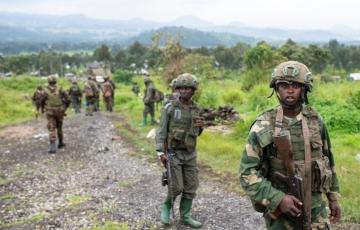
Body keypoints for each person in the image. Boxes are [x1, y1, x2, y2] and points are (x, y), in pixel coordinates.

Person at [239, 61, 341, 229]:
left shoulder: (316, 121)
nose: (290, 90)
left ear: (305, 88)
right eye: (284, 85)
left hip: (316, 209)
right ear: (276, 89)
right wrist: (278, 199)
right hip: (282, 211)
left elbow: (329, 161)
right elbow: (246, 173)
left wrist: (333, 198)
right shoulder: (263, 126)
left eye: (296, 85)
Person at [155, 73, 204, 228]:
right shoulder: (169, 108)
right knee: (176, 186)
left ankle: (185, 216)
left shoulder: (196, 109)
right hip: (172, 153)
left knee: (191, 186)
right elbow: (161, 131)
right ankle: (166, 207)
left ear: (193, 90)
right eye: (181, 88)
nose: (184, 91)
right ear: (177, 89)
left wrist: (201, 128)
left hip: (190, 153)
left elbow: (196, 132)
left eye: (188, 88)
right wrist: (160, 152)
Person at [40, 76, 70, 154]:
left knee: (51, 128)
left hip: (50, 112)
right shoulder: (60, 89)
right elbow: (68, 99)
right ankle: (61, 143)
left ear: (48, 81)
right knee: (59, 127)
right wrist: (65, 107)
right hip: (60, 111)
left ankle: (52, 146)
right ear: (55, 81)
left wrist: (42, 109)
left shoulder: (45, 90)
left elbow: (41, 101)